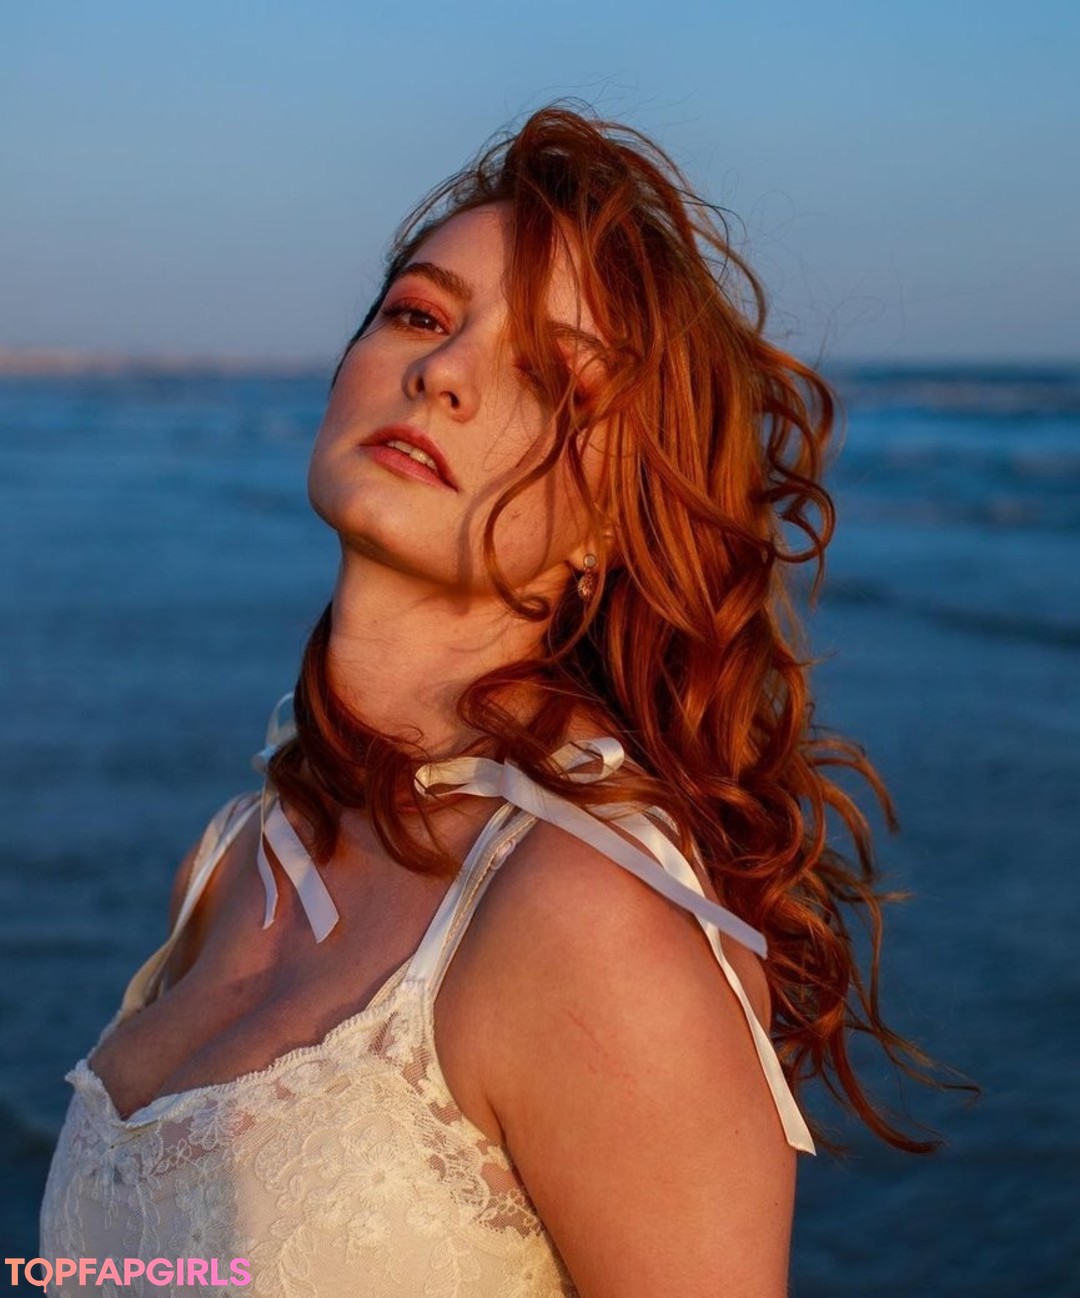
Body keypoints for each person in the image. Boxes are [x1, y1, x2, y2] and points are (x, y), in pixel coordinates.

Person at [39, 105, 937, 1297]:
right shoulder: (232, 865)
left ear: (612, 522)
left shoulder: (589, 924)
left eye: (550, 376)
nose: (442, 372)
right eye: (420, 313)